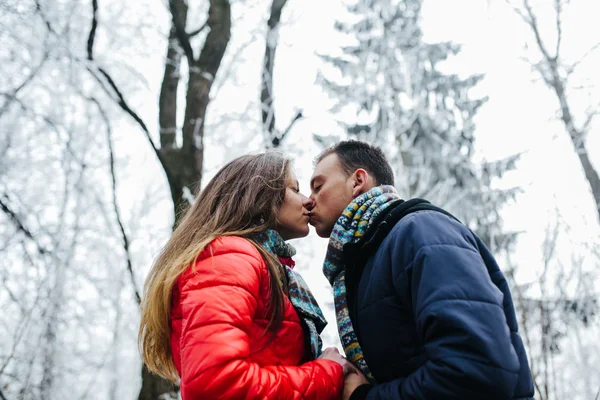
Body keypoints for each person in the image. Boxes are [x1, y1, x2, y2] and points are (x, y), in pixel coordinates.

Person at [308, 140, 535, 400]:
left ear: (358, 181)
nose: (309, 201)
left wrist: (363, 396)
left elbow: (477, 371)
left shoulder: (421, 232)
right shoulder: (367, 260)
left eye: (318, 186)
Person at [139, 152, 355, 399]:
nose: (307, 201)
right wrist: (328, 373)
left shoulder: (252, 262)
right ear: (259, 195)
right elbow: (214, 384)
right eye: (295, 190)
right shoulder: (228, 257)